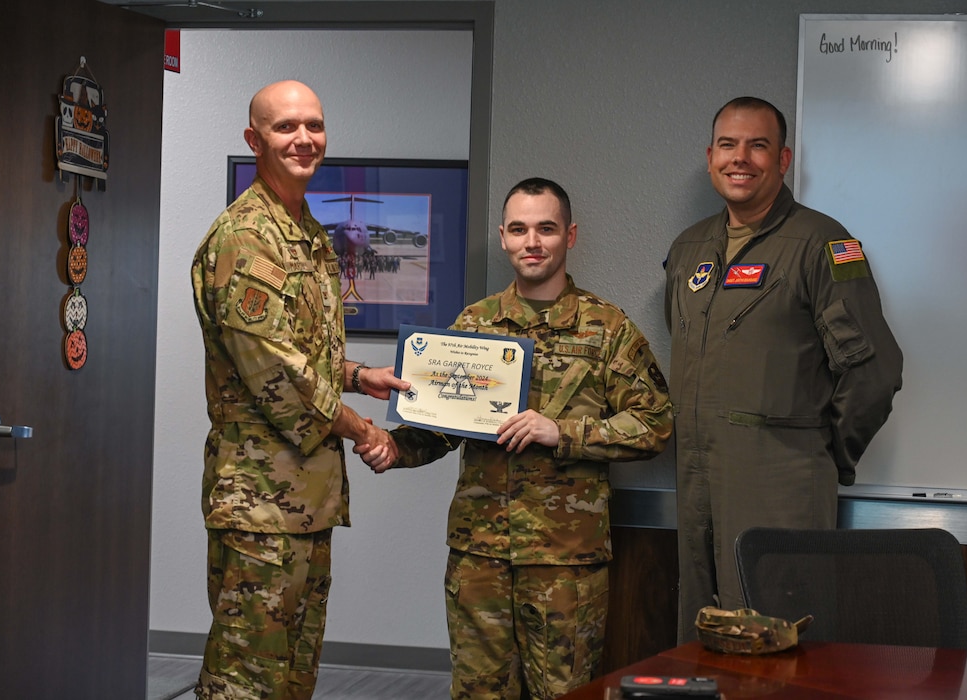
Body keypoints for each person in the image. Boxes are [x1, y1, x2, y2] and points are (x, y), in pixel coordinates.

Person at [356, 178, 673, 699]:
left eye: (546, 229)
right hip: (480, 554)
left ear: (569, 237)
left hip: (565, 561)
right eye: (520, 229)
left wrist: (562, 432)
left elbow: (655, 423)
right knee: (480, 692)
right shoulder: (475, 325)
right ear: (503, 237)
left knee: (567, 693)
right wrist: (395, 448)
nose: (533, 242)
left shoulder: (607, 329)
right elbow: (439, 427)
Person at [190, 79, 408, 699]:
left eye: (313, 125)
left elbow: (295, 345)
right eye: (286, 127)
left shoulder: (304, 230)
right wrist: (366, 431)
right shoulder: (246, 237)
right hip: (259, 502)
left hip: (305, 500)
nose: (304, 139)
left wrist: (360, 376)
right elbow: (276, 372)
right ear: (254, 139)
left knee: (291, 678)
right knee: (244, 681)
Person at [663, 97, 903, 640]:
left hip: (782, 481)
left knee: (779, 636)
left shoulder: (822, 243)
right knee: (701, 636)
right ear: (709, 157)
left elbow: (875, 369)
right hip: (697, 475)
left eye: (758, 145)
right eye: (728, 145)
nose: (740, 158)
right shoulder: (688, 249)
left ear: (783, 159)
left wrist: (821, 451)